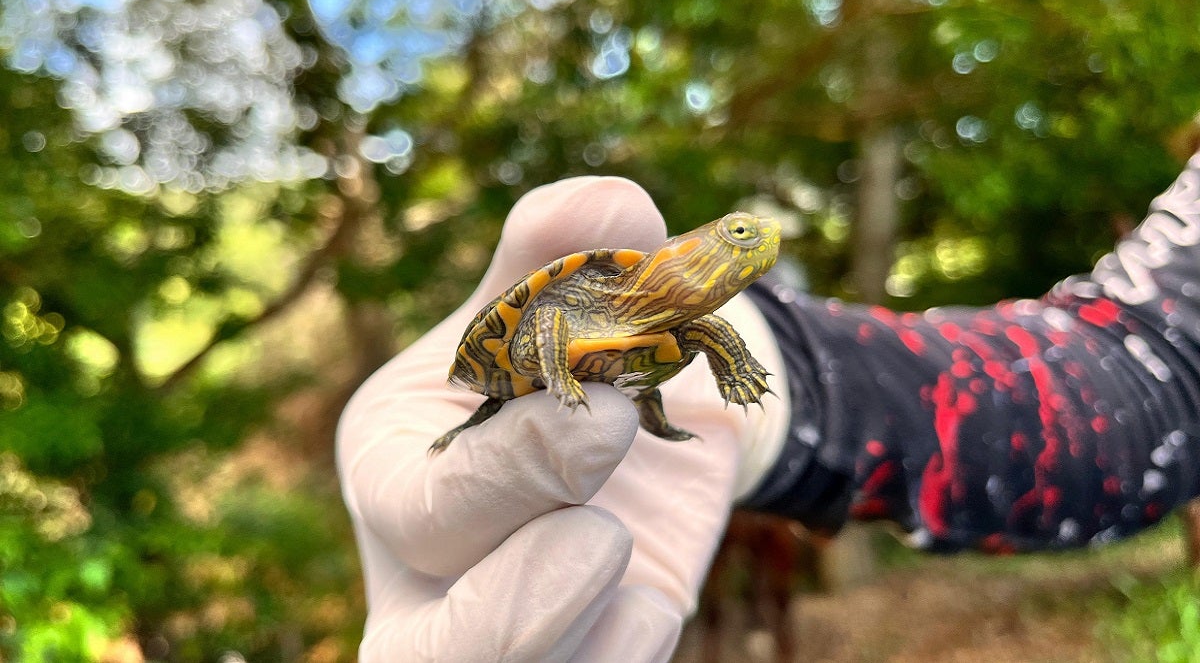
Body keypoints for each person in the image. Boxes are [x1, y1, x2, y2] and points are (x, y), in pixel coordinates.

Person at [337, 152, 1200, 661]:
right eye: (738, 239)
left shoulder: (680, 328)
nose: (753, 246)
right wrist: (783, 383)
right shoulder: (624, 294)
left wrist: (731, 356)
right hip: (550, 350)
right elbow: (1144, 375)